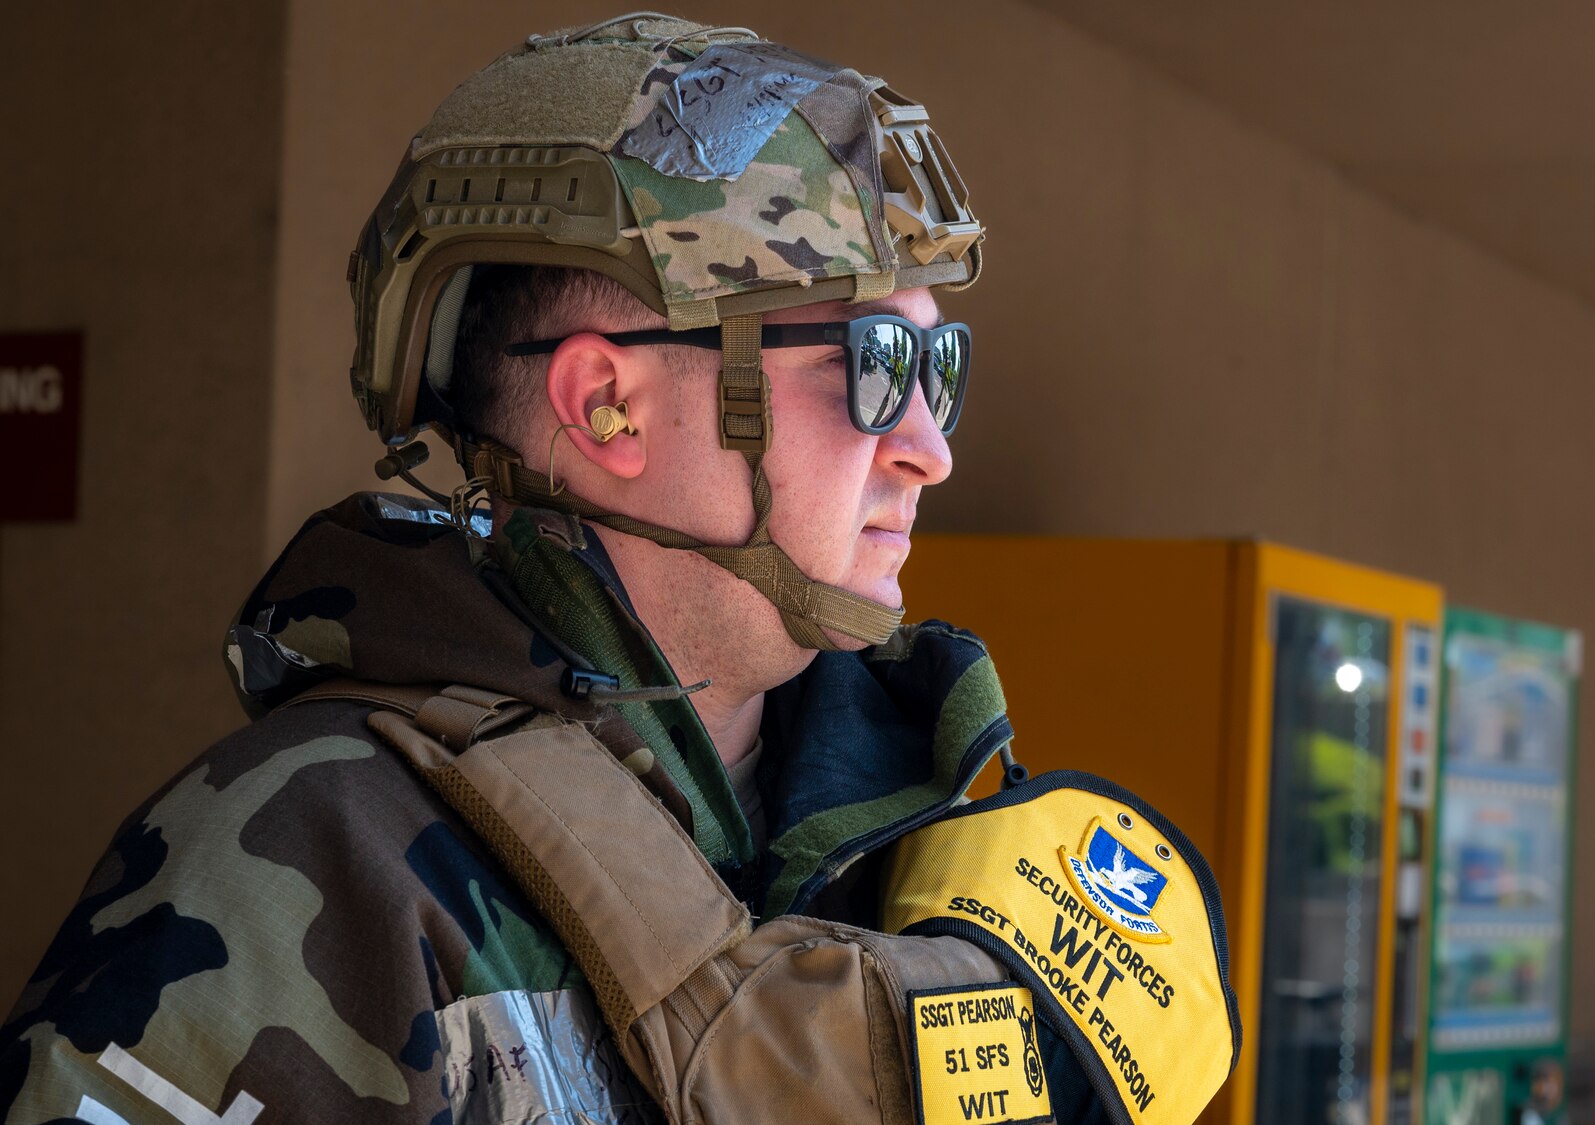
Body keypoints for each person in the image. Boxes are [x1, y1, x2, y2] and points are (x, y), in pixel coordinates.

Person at [1, 14, 1236, 1125]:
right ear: (608, 408)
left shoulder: (939, 842)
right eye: (870, 367)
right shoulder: (318, 861)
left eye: (938, 371)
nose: (928, 451)